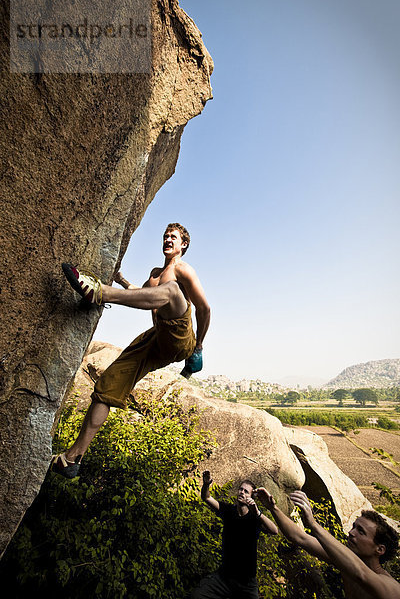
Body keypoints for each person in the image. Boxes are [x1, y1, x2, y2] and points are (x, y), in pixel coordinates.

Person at [52, 223, 210, 479]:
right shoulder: (155, 273)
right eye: (165, 236)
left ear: (184, 245)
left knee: (171, 291)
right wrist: (122, 280)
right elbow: (143, 294)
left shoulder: (183, 269)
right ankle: (72, 459)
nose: (168, 239)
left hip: (181, 335)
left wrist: (199, 347)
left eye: (174, 237)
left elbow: (205, 309)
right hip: (157, 339)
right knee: (107, 386)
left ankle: (98, 293)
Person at [257, 488, 400, 599]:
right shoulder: (345, 563)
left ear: (380, 549)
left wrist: (313, 524)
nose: (351, 533)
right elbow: (299, 537)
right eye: (354, 527)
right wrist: (272, 508)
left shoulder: (392, 588)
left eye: (361, 531)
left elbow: (360, 574)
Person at [191, 471, 278, 599]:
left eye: (246, 491)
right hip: (224, 578)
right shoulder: (228, 511)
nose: (242, 492)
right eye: (240, 489)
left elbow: (274, 530)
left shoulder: (255, 518)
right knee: (196, 596)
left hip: (247, 583)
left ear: (251, 498)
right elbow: (207, 498)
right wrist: (206, 485)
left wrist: (257, 512)